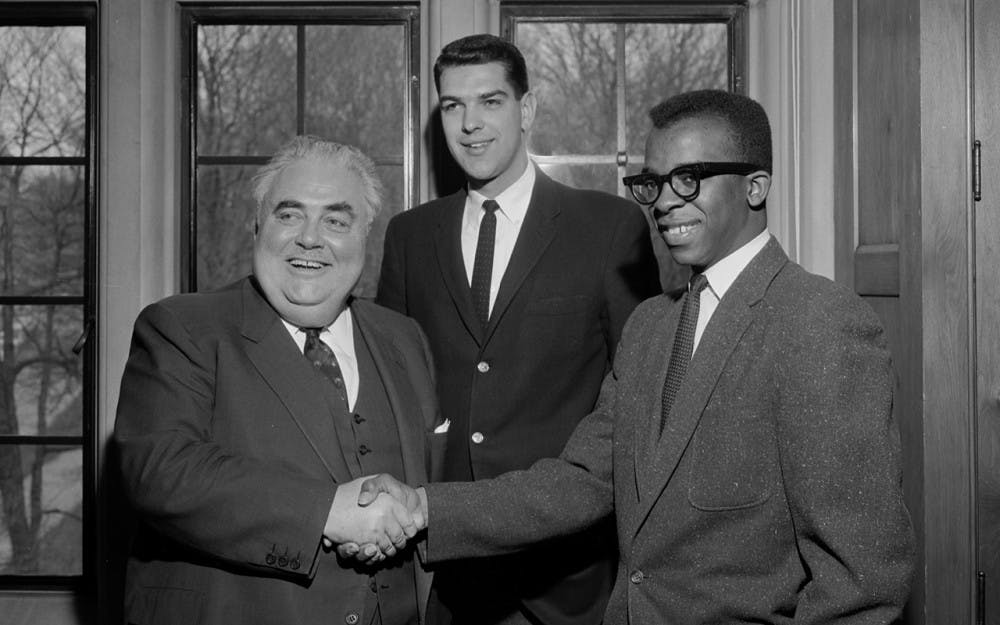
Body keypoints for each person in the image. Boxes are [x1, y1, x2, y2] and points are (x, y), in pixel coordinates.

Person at [354, 89, 917, 624]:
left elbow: (863, 581)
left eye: (689, 180)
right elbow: (581, 482)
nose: (665, 202)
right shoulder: (651, 326)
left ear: (755, 187)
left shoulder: (819, 322)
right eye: (654, 183)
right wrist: (424, 509)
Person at [375, 33, 660, 625]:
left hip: (568, 577)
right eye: (453, 106)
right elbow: (390, 390)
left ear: (526, 110)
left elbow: (641, 400)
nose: (470, 124)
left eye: (491, 102)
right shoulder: (409, 235)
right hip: (447, 578)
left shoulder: (607, 226)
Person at [114, 136, 445, 625]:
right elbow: (159, 469)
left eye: (336, 220)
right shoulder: (183, 328)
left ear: (364, 238)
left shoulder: (404, 338)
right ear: (257, 226)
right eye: (289, 215)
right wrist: (326, 512)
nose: (310, 238)